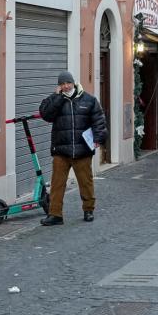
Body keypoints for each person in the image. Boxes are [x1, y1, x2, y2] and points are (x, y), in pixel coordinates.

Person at [38, 71, 108, 226]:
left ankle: (88, 210)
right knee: (57, 184)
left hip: (82, 149)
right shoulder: (54, 99)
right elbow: (46, 115)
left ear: (73, 83)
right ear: (59, 86)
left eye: (68, 83)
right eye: (62, 84)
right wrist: (57, 98)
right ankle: (55, 215)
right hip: (61, 150)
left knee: (86, 182)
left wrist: (98, 139)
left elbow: (99, 120)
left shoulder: (89, 100)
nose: (65, 86)